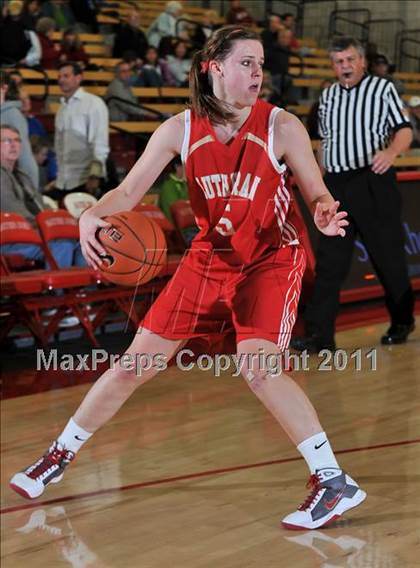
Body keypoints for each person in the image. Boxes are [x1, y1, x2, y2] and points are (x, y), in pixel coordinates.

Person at [10, 26, 366, 531]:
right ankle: (57, 456)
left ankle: (332, 480)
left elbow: (317, 191)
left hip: (270, 259)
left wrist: (326, 213)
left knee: (258, 367)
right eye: (246, 63)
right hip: (210, 258)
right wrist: (91, 215)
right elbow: (128, 193)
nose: (258, 73)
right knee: (135, 364)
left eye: (261, 63)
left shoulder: (280, 126)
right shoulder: (179, 129)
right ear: (213, 67)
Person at [291, 36, 414, 353]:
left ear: (361, 61)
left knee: (387, 257)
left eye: (349, 60)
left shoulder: (382, 88)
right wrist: (319, 182)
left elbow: (404, 129)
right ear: (332, 66)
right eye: (338, 61)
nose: (344, 66)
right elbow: (324, 142)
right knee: (330, 263)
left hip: (372, 180)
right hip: (336, 185)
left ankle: (402, 320)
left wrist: (391, 152)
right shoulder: (328, 95)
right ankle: (320, 336)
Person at [0, 124, 85, 268]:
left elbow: (42, 206)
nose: (14, 145)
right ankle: (57, 290)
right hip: (10, 237)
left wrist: (56, 221)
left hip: (35, 232)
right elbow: (13, 210)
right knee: (62, 243)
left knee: (83, 242)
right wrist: (47, 225)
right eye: (7, 140)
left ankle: (85, 289)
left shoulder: (23, 176)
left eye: (17, 140)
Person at [50, 61, 109, 199]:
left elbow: (100, 142)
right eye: (59, 76)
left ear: (78, 78)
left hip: (86, 179)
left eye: (66, 76)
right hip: (63, 180)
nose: (61, 80)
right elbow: (59, 147)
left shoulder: (94, 103)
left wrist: (95, 176)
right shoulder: (61, 109)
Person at [0, 71, 39, 188]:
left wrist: (32, 193)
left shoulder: (12, 115)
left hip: (7, 186)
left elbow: (24, 156)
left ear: (4, 88)